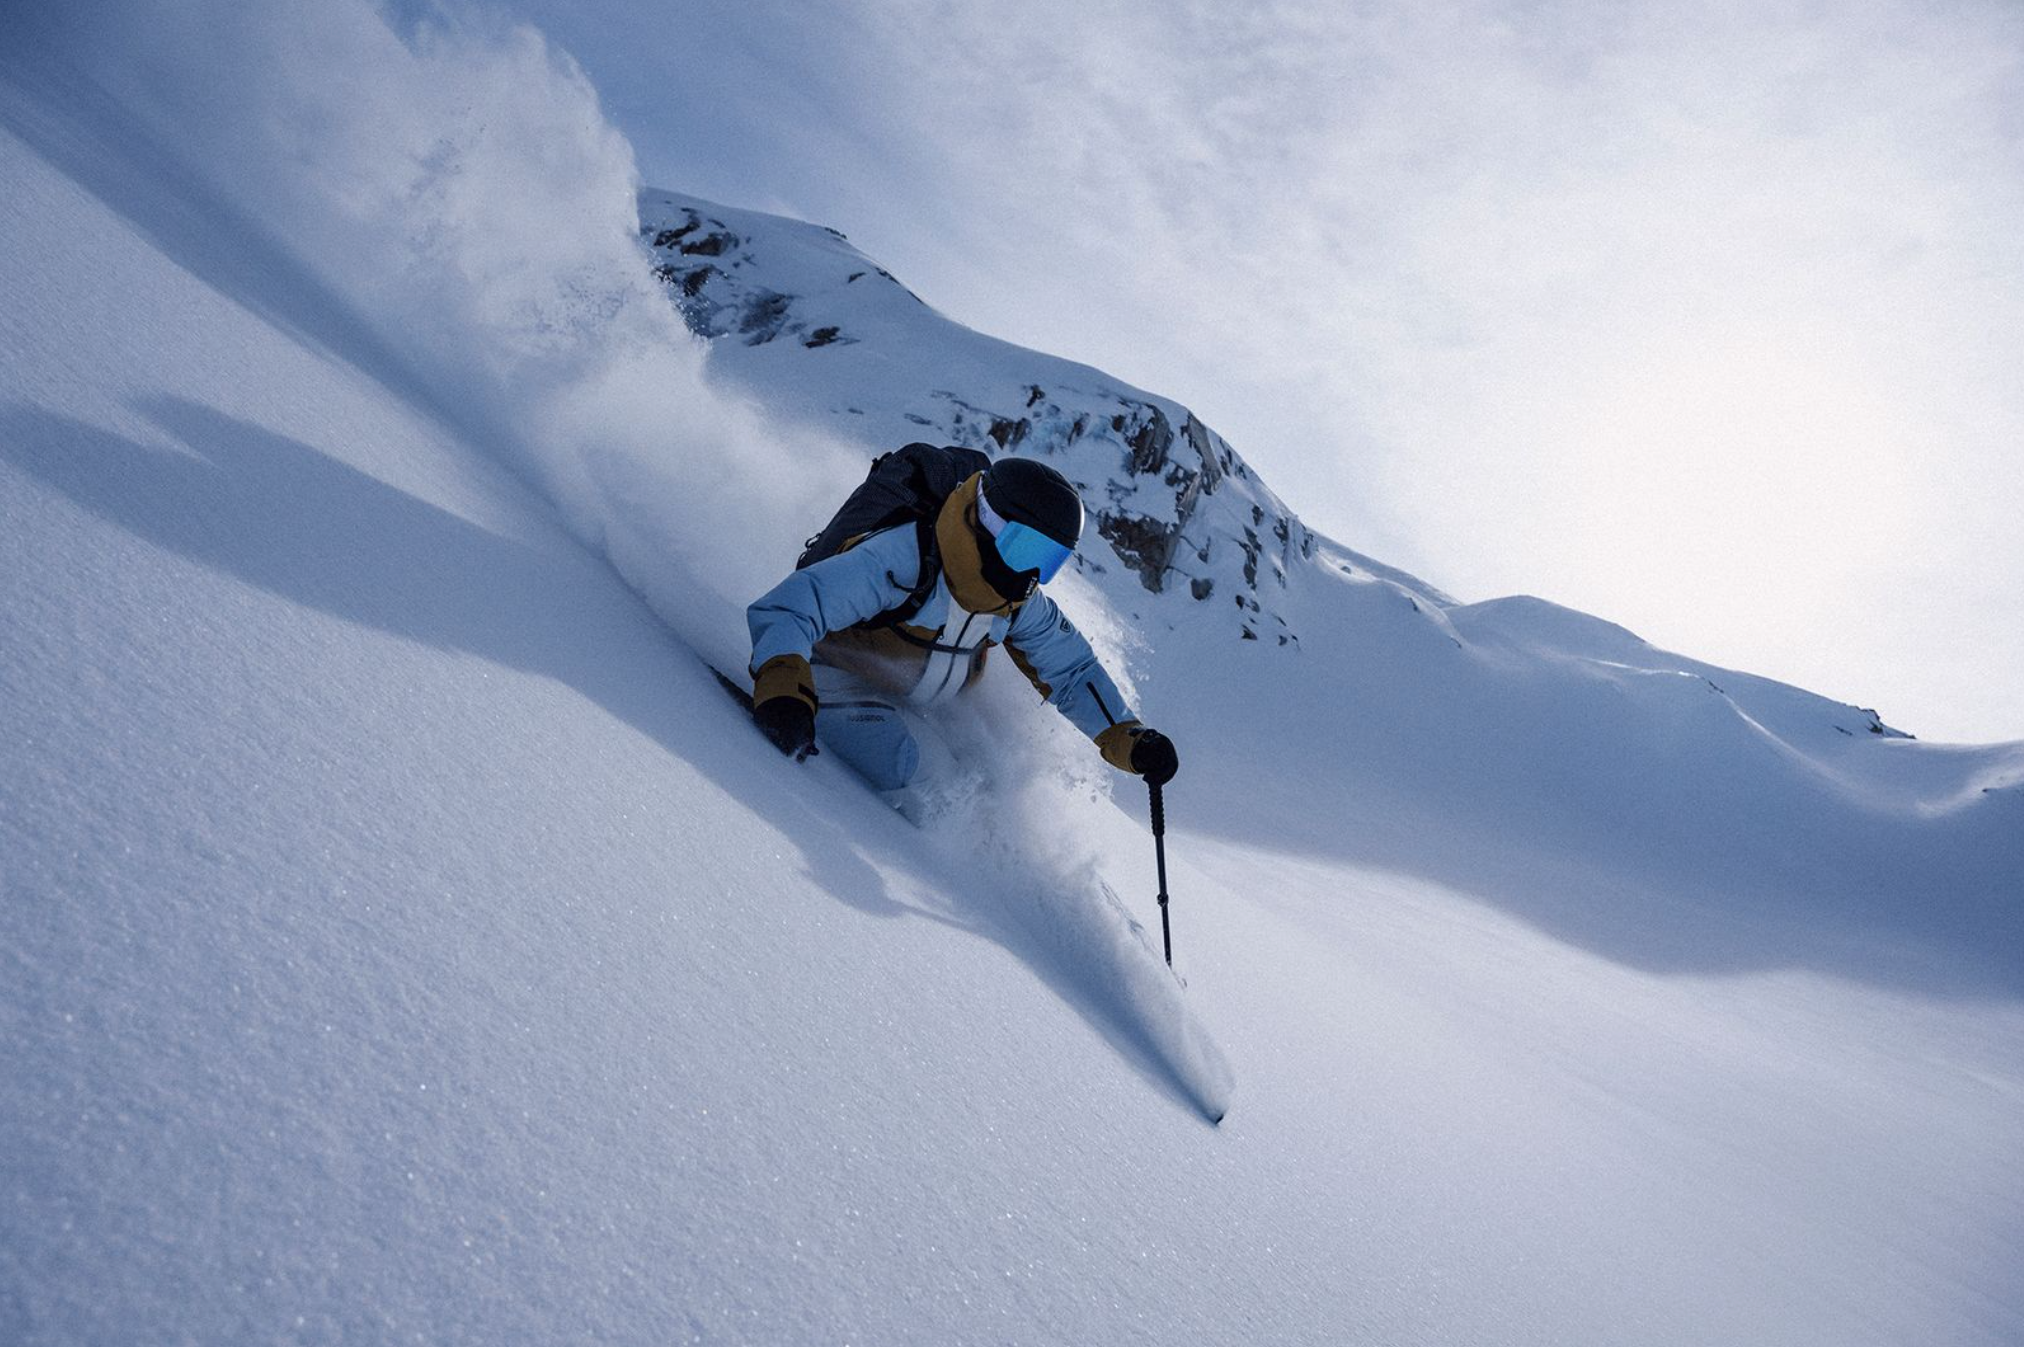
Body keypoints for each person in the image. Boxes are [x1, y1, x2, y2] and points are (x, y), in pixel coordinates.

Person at [745, 454, 1180, 799]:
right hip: (829, 681)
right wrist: (784, 690)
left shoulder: (1016, 601)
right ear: (990, 523)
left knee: (990, 777)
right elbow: (791, 607)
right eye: (1024, 547)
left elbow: (1072, 672)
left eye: (1048, 560)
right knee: (918, 771)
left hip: (912, 703)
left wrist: (1129, 737)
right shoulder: (903, 560)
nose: (1030, 572)